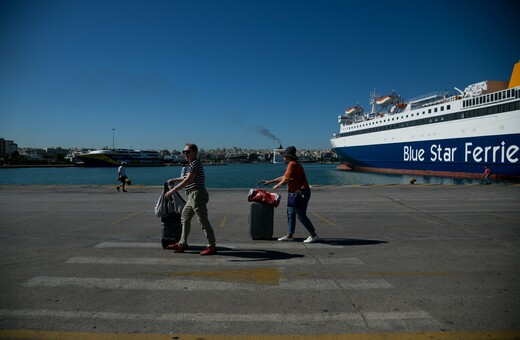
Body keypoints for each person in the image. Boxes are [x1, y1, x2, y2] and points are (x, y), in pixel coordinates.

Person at [164, 143, 217, 255]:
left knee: (203, 221)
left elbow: (188, 180)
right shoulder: (192, 165)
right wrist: (173, 179)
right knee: (184, 217)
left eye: (187, 152)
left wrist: (171, 191)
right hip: (192, 196)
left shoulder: (195, 164)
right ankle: (181, 243)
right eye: (184, 152)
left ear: (194, 152)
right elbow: (185, 177)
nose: (185, 154)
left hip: (197, 195)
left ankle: (211, 246)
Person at [264, 146, 319, 243]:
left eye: (285, 155)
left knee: (300, 215)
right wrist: (270, 181)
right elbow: (284, 177)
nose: (284, 157)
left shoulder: (292, 164)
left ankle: (313, 235)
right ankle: (290, 235)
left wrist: (277, 186)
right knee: (290, 213)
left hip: (301, 192)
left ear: (289, 156)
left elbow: (285, 179)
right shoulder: (292, 164)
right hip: (293, 193)